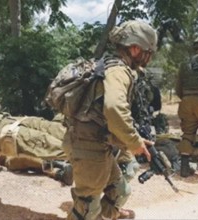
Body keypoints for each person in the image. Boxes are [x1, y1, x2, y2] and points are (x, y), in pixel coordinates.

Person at [64, 20, 157, 220]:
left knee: (120, 191)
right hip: (88, 146)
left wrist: (134, 141)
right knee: (86, 207)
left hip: (98, 144)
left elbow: (101, 116)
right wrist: (134, 142)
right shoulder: (118, 71)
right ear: (134, 48)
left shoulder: (109, 65)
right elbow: (114, 108)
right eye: (148, 52)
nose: (149, 58)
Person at [175, 35, 198, 177]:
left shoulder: (185, 63)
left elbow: (178, 87)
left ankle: (184, 168)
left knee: (188, 134)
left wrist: (186, 98)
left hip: (186, 100)